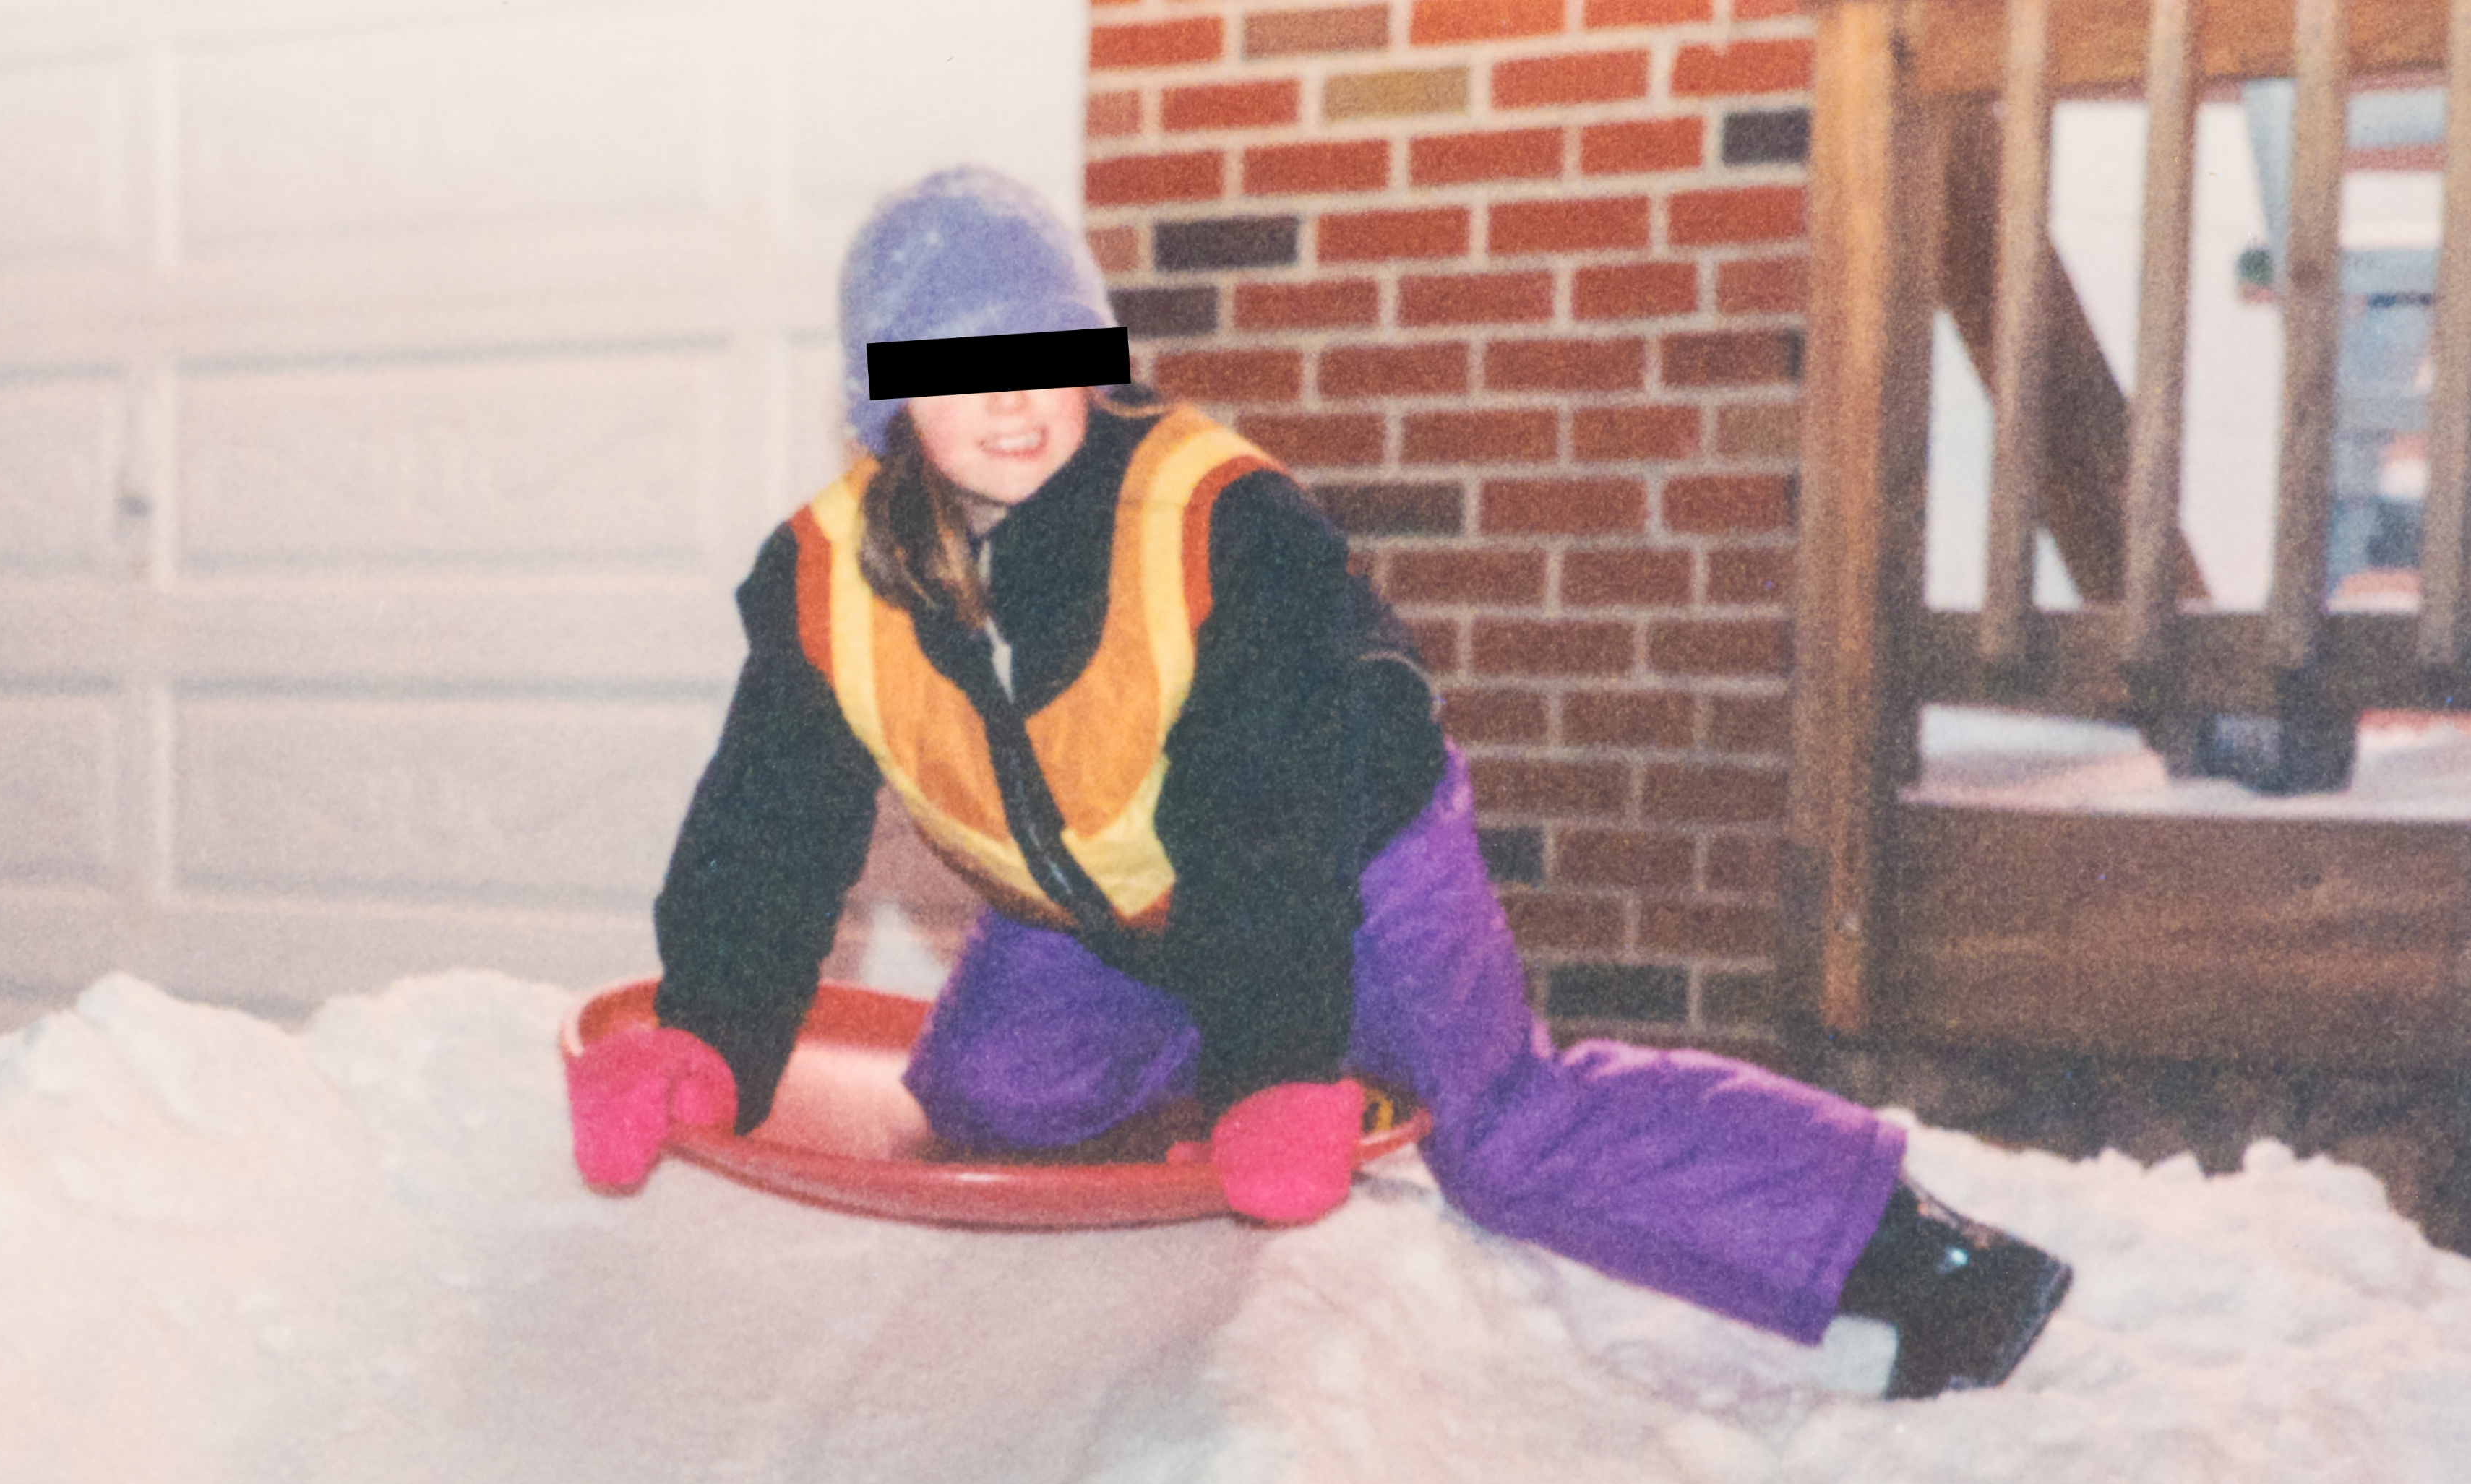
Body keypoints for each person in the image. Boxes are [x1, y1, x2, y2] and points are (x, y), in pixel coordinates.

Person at [569, 167, 2070, 1399]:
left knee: (1501, 1135)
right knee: (988, 1098)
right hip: (1099, 906)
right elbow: (771, 822)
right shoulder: (832, 580)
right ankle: (1262, 1070)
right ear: (881, 402)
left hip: (1347, 866)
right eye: (957, 373)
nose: (1013, 405)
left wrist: (1276, 1060)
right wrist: (708, 1030)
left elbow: (1262, 813)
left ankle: (1921, 1254)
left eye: (1045, 357)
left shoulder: (1223, 523)